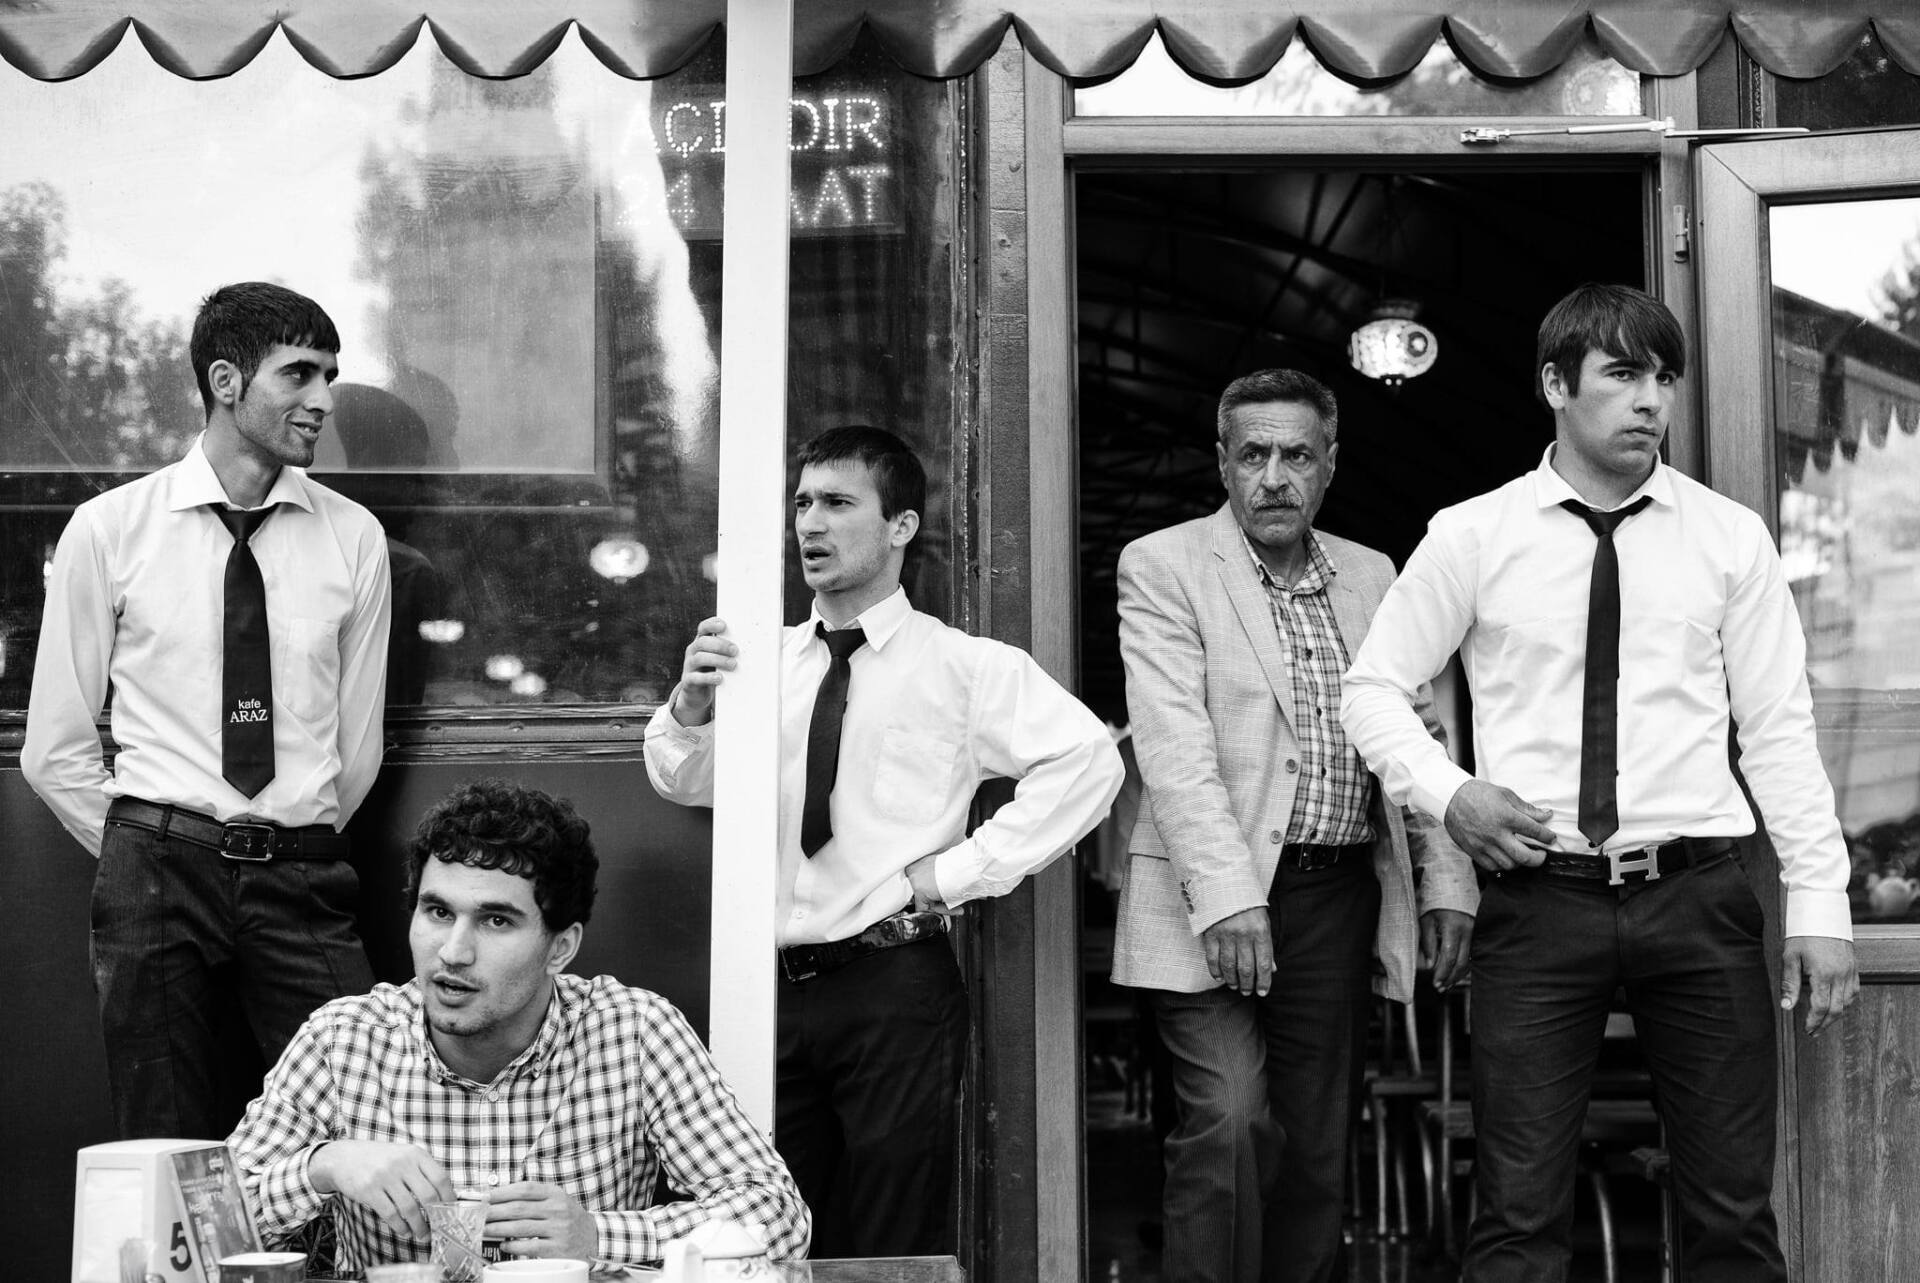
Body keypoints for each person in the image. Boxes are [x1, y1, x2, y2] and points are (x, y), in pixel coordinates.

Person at [1340, 283, 1860, 1282]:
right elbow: (1371, 687)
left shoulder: (1729, 537)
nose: (1650, 399)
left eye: (1664, 377)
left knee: (1731, 1211)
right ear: (1555, 383)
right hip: (1541, 899)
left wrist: (1821, 899)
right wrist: (1451, 793)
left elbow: (1778, 728)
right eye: (1623, 374)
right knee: (1518, 1216)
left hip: (1697, 896)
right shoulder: (1473, 534)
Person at [644, 425, 1124, 1257]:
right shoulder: (760, 662)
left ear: (901, 525)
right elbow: (683, 782)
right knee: (755, 1233)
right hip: (768, 988)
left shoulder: (963, 665)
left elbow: (1089, 761)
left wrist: (955, 872)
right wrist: (689, 706)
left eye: (838, 502)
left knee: (890, 1238)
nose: (810, 523)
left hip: (893, 984)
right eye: (803, 502)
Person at [1111, 368, 1478, 1283]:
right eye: (1254, 455)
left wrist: (1446, 879)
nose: (1274, 477)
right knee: (1228, 1118)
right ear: (1223, 463)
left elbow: (1416, 737)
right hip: (1204, 894)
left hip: (1336, 893)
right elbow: (1173, 747)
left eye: (1297, 456)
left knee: (1317, 1143)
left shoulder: (1374, 574)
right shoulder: (1162, 565)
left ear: (1330, 464)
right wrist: (1228, 898)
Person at [23, 282, 391, 1140]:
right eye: (299, 373)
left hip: (302, 874)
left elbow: (356, 746)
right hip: (157, 873)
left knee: (362, 1123)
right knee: (165, 1139)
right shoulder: (109, 530)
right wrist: (147, 845)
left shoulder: (354, 538)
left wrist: (289, 831)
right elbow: (54, 749)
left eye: (330, 376)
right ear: (226, 381)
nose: (323, 399)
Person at [226, 778, 810, 1273]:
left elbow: (778, 1217)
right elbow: (208, 1224)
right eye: (438, 912)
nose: (453, 952)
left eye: (496, 921)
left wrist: (598, 1236)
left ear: (561, 947)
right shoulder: (343, 1041)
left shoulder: (634, 1032)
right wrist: (323, 1166)